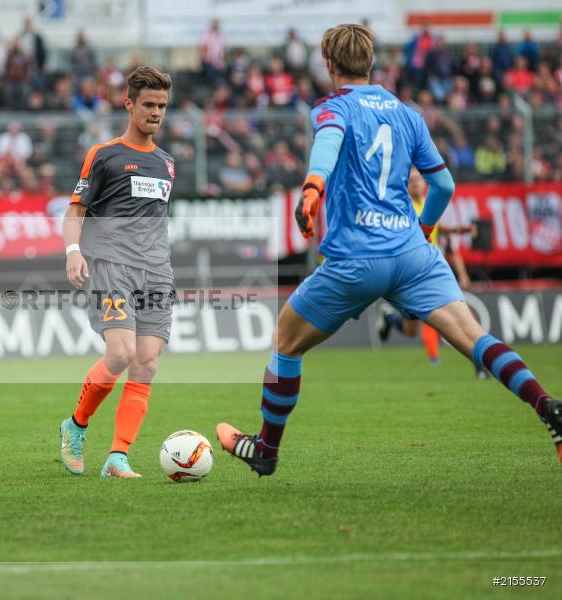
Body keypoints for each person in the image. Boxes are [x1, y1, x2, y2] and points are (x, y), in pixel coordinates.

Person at [215, 25, 561, 476]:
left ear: (329, 64)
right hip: (413, 254)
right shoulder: (407, 113)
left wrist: (313, 186)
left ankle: (266, 450)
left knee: (286, 341)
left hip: (356, 259)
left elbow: (328, 142)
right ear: (371, 62)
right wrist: (424, 229)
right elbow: (443, 185)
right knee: (476, 339)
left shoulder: (333, 107)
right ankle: (545, 404)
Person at [59, 66, 176, 478]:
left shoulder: (167, 163)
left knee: (146, 363)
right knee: (121, 353)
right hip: (112, 267)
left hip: (157, 273)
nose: (156, 112)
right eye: (149, 104)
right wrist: (73, 251)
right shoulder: (104, 154)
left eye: (162, 105)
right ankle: (76, 426)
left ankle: (117, 457)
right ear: (129, 104)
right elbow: (75, 211)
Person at [378, 168, 483, 374]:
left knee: (460, 320)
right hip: (411, 272)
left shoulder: (428, 202)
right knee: (411, 330)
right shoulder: (402, 206)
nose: (416, 183)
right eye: (411, 180)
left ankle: (479, 364)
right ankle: (390, 318)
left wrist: (458, 230)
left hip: (431, 271)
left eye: (419, 179)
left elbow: (436, 226)